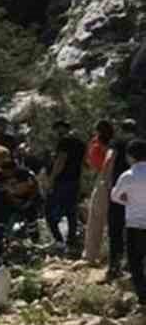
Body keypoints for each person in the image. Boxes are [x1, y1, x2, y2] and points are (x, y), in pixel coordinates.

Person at [110, 139, 146, 308]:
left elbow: (114, 196)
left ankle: (143, 297)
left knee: (135, 262)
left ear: (130, 156)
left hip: (135, 225)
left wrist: (127, 200)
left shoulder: (127, 176)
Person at [104, 118, 138, 279]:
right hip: (137, 192)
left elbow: (109, 159)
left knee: (115, 227)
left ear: (121, 128)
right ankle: (134, 266)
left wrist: (107, 183)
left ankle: (114, 265)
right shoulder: (140, 143)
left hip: (119, 189)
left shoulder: (116, 142)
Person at [45, 120, 85, 252]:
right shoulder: (80, 143)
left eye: (57, 129)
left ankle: (58, 240)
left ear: (61, 129)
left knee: (49, 210)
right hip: (75, 181)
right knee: (71, 212)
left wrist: (51, 179)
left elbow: (60, 161)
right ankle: (71, 240)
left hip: (62, 181)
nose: (56, 132)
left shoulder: (64, 142)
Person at [83, 119, 115, 266]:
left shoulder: (97, 144)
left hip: (103, 180)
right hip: (117, 181)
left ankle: (91, 254)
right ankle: (112, 254)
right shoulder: (115, 145)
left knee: (95, 219)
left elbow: (94, 163)